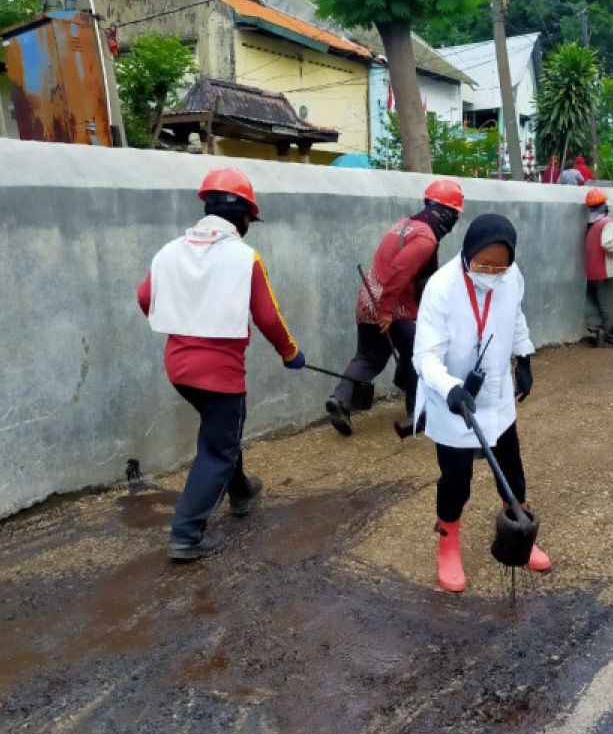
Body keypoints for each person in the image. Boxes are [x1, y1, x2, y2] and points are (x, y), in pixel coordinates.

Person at [138, 167, 304, 562]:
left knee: (222, 434)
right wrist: (290, 352)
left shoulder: (170, 250)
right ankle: (187, 534)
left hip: (179, 367)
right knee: (217, 447)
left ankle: (241, 491)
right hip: (220, 374)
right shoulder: (244, 257)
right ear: (245, 215)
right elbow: (268, 317)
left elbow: (145, 298)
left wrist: (186, 320)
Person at [413, 213, 551, 592]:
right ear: (467, 253)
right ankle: (448, 545)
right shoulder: (441, 287)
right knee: (457, 480)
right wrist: (448, 387)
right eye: (482, 264)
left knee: (511, 470)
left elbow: (515, 316)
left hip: (496, 396)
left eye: (499, 266)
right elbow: (424, 355)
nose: (491, 272)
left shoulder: (511, 277)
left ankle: (520, 533)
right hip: (452, 399)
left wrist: (524, 357)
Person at [326, 179, 464, 437]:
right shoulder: (425, 238)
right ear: (445, 213)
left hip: (368, 298)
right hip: (394, 305)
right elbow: (400, 270)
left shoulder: (404, 226)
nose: (453, 223)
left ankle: (341, 398)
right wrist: (387, 309)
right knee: (418, 356)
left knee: (367, 356)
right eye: (454, 215)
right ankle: (417, 413)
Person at [583, 188, 613, 347]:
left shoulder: (591, 225)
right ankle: (609, 339)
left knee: (593, 303)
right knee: (610, 305)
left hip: (591, 271)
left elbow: (603, 240)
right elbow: (605, 243)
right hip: (606, 272)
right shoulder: (607, 222)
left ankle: (596, 334)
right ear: (603, 205)